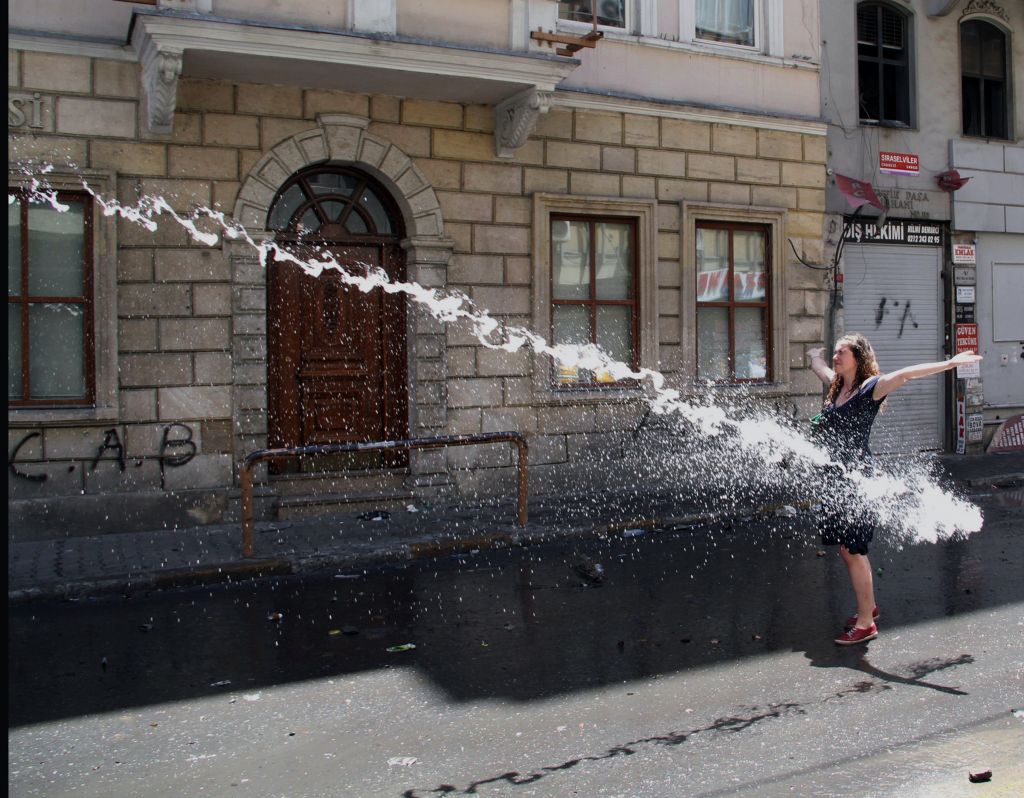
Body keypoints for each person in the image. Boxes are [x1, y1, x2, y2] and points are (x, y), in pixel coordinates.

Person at [806, 334, 982, 646]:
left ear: (857, 357)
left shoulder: (870, 388)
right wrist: (814, 355)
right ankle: (868, 607)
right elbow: (820, 368)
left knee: (854, 549)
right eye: (835, 352)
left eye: (841, 352)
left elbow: (906, 374)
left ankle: (864, 624)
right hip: (836, 478)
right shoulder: (838, 386)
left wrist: (950, 364)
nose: (836, 356)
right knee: (849, 550)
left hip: (857, 479)